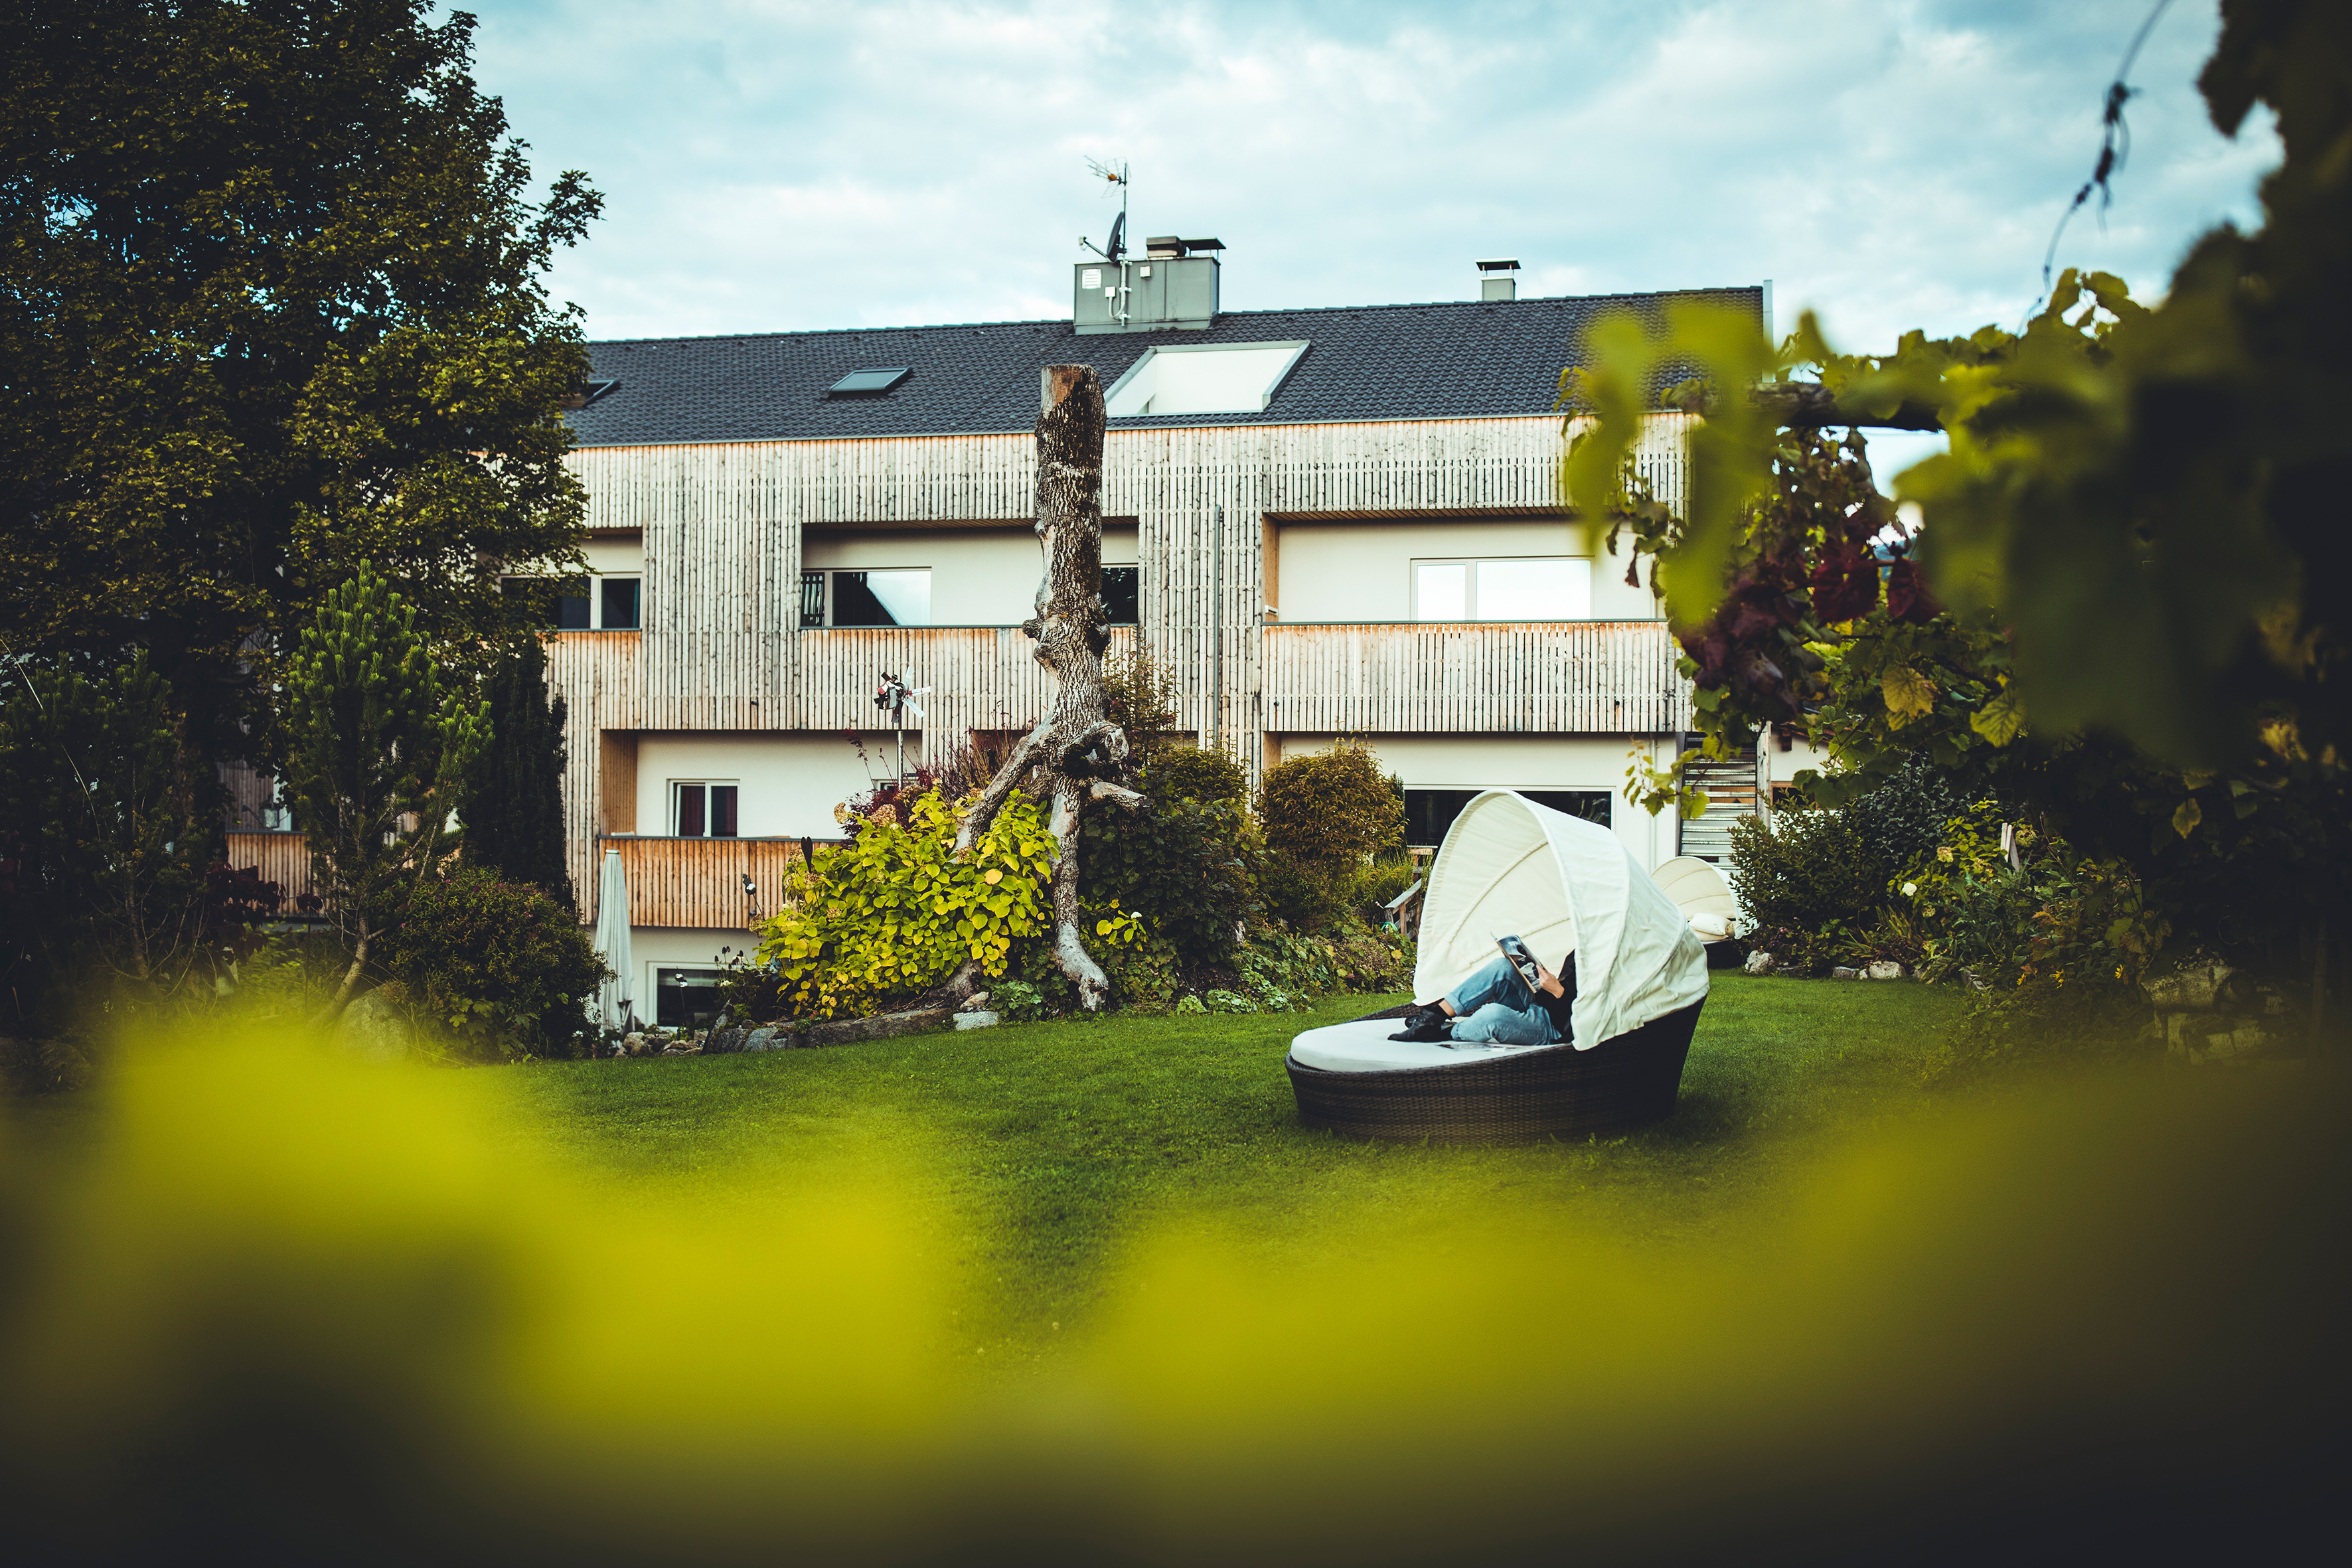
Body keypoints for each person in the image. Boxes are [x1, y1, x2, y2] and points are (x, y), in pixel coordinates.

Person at [1391, 950, 1575, 1048]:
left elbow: (1585, 1017)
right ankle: (1432, 1017)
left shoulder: (1603, 970)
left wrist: (1559, 991)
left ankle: (1445, 1032)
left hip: (1555, 1030)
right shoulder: (1581, 952)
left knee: (1493, 1015)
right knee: (1503, 967)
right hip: (1543, 1007)